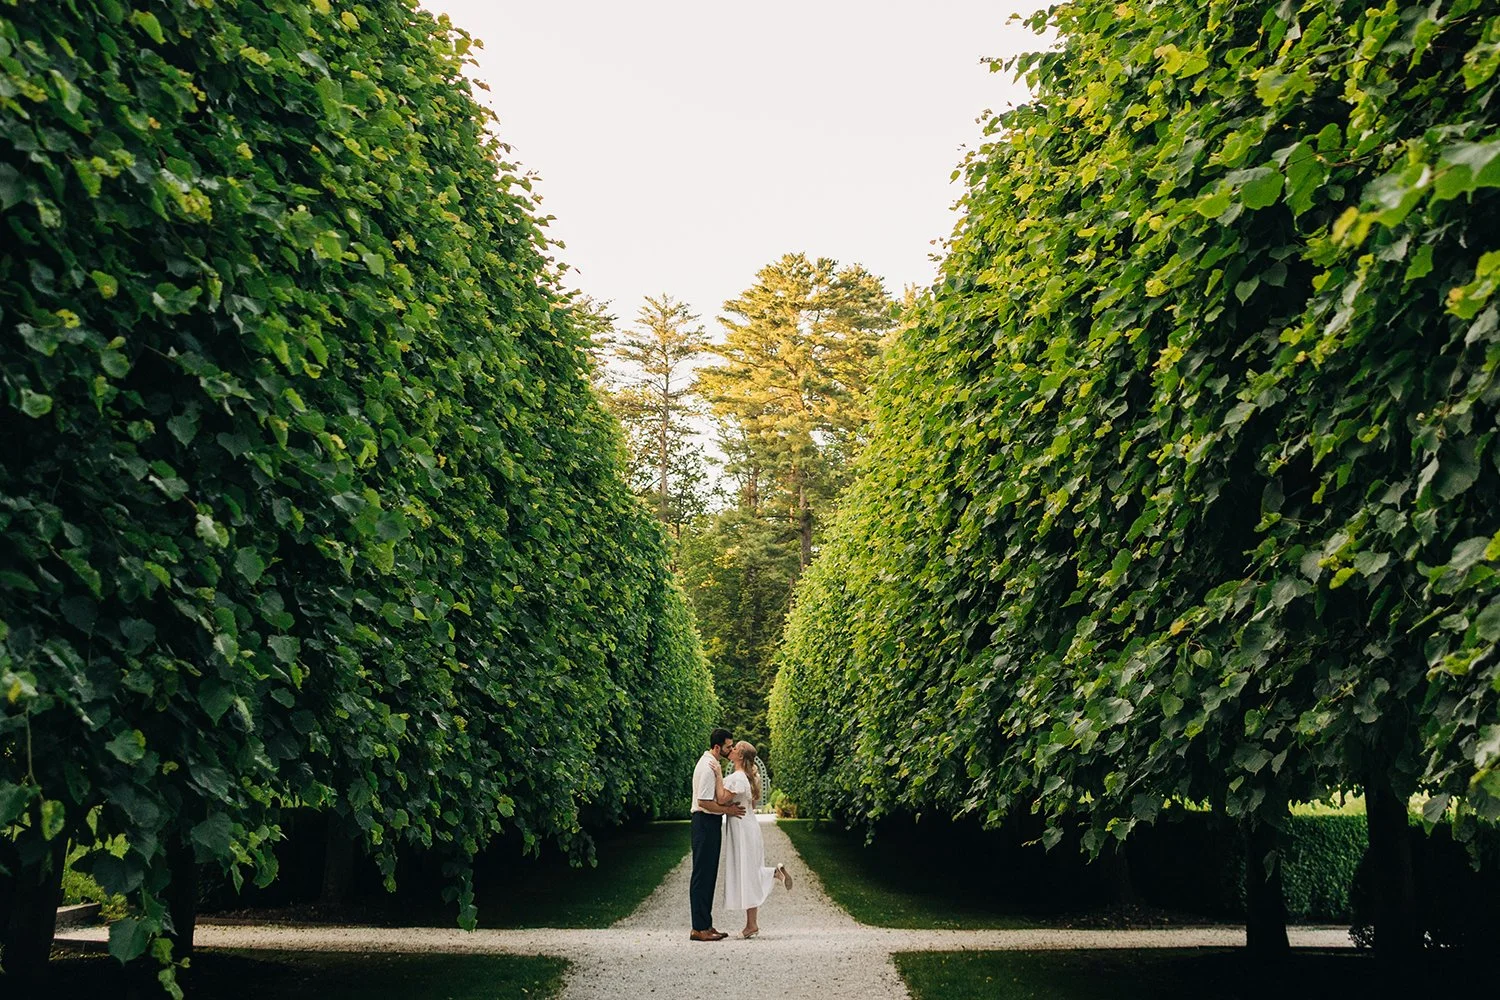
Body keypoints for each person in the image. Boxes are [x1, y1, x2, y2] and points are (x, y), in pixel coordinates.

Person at [720, 741, 792, 938]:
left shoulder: (737, 778)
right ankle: (752, 923)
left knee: (746, 872)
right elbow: (750, 804)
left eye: (735, 749)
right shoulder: (750, 779)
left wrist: (717, 776)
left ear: (740, 756)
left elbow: (721, 799)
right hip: (750, 826)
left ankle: (771, 875)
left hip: (741, 829)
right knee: (750, 871)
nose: (731, 750)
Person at [689, 727, 744, 941]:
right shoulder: (708, 766)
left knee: (709, 874)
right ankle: (698, 928)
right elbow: (704, 801)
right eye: (729, 746)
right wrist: (728, 810)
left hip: (709, 823)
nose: (731, 750)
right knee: (702, 874)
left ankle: (706, 924)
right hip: (704, 822)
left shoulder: (713, 764)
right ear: (717, 746)